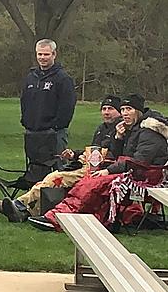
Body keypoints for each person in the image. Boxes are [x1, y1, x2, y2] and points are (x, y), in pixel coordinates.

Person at [29, 93, 168, 231]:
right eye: (123, 109)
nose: (125, 113)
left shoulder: (150, 131)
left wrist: (108, 170)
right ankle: (61, 216)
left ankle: (58, 219)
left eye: (129, 109)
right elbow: (120, 156)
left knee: (94, 183)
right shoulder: (133, 128)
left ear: (138, 111)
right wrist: (118, 138)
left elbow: (138, 161)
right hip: (132, 172)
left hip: (145, 177)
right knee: (90, 180)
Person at [0, 95, 122, 220]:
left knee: (54, 178)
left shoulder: (120, 129)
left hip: (101, 171)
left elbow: (112, 154)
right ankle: (21, 208)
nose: (106, 112)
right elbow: (94, 151)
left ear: (119, 112)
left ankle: (19, 206)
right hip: (88, 166)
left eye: (110, 109)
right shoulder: (101, 129)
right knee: (51, 178)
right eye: (104, 109)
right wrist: (74, 154)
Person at [20, 39, 76, 153]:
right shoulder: (31, 78)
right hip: (32, 132)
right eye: (39, 54)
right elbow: (24, 101)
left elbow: (67, 106)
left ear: (54, 54)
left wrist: (55, 126)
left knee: (57, 167)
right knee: (34, 168)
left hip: (54, 133)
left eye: (46, 54)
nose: (42, 57)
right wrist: (26, 122)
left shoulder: (63, 79)